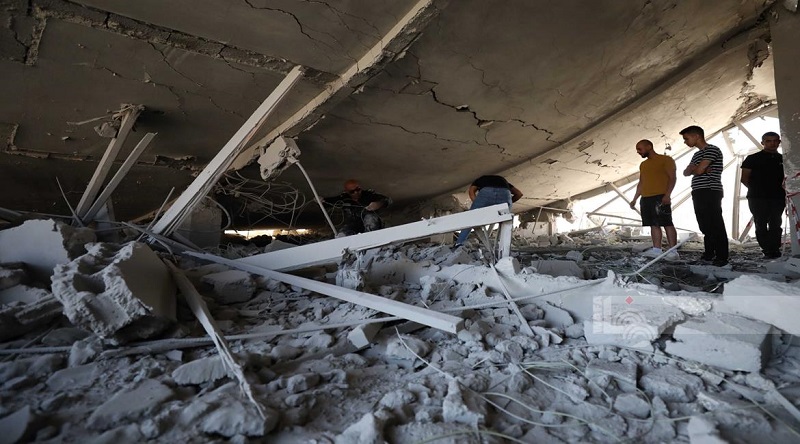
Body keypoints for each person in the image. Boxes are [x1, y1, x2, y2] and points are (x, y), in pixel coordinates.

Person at [681, 125, 729, 266]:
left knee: (715, 223)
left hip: (710, 190)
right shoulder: (696, 155)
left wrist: (696, 169)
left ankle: (721, 256)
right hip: (698, 191)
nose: (685, 142)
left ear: (696, 136)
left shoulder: (712, 150)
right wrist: (698, 169)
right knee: (705, 224)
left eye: (686, 138)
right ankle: (709, 254)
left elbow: (698, 171)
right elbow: (686, 172)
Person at [629, 139, 679, 260]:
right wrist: (635, 199)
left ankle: (673, 251)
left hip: (660, 196)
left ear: (649, 146)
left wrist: (667, 195)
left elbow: (672, 178)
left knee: (667, 223)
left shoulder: (666, 160)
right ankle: (657, 250)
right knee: (653, 224)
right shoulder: (643, 164)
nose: (638, 152)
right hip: (646, 198)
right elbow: (641, 182)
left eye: (640, 149)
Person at [741, 132, 785, 259]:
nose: (772, 143)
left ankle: (774, 249)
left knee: (776, 223)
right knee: (760, 223)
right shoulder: (752, 158)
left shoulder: (783, 159)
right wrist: (757, 190)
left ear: (779, 142)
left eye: (775, 141)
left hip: (777, 197)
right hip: (757, 197)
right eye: (768, 141)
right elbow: (744, 179)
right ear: (763, 143)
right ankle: (766, 249)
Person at [454, 175, 523, 247]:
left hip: (486, 192)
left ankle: (459, 243)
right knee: (504, 221)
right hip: (505, 193)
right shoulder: (505, 183)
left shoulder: (480, 180)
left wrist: (477, 204)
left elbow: (471, 191)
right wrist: (505, 204)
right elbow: (519, 194)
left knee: (471, 219)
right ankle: (503, 245)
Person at [324, 179, 391, 236]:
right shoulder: (344, 199)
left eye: (358, 189)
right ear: (347, 192)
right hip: (354, 224)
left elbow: (388, 200)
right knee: (343, 232)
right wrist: (321, 200)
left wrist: (378, 204)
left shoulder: (369, 194)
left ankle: (370, 239)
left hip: (372, 224)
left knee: (369, 218)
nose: (356, 192)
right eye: (352, 191)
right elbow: (328, 202)